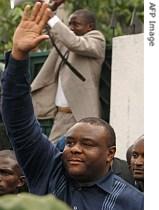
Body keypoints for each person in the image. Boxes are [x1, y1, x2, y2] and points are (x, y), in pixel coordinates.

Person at [1, 2, 143, 210]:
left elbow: (74, 41)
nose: (74, 149)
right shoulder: (49, 169)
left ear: (110, 154)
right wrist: (18, 56)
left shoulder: (134, 202)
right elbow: (19, 121)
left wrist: (55, 22)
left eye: (87, 144)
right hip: (60, 116)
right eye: (69, 143)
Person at [31, 0, 106, 141]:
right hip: (61, 115)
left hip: (81, 115)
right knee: (52, 155)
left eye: (76, 24)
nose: (71, 28)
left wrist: (52, 18)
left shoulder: (96, 39)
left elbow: (74, 43)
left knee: (83, 156)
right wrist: (47, 9)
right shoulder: (66, 41)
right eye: (69, 24)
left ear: (90, 27)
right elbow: (45, 31)